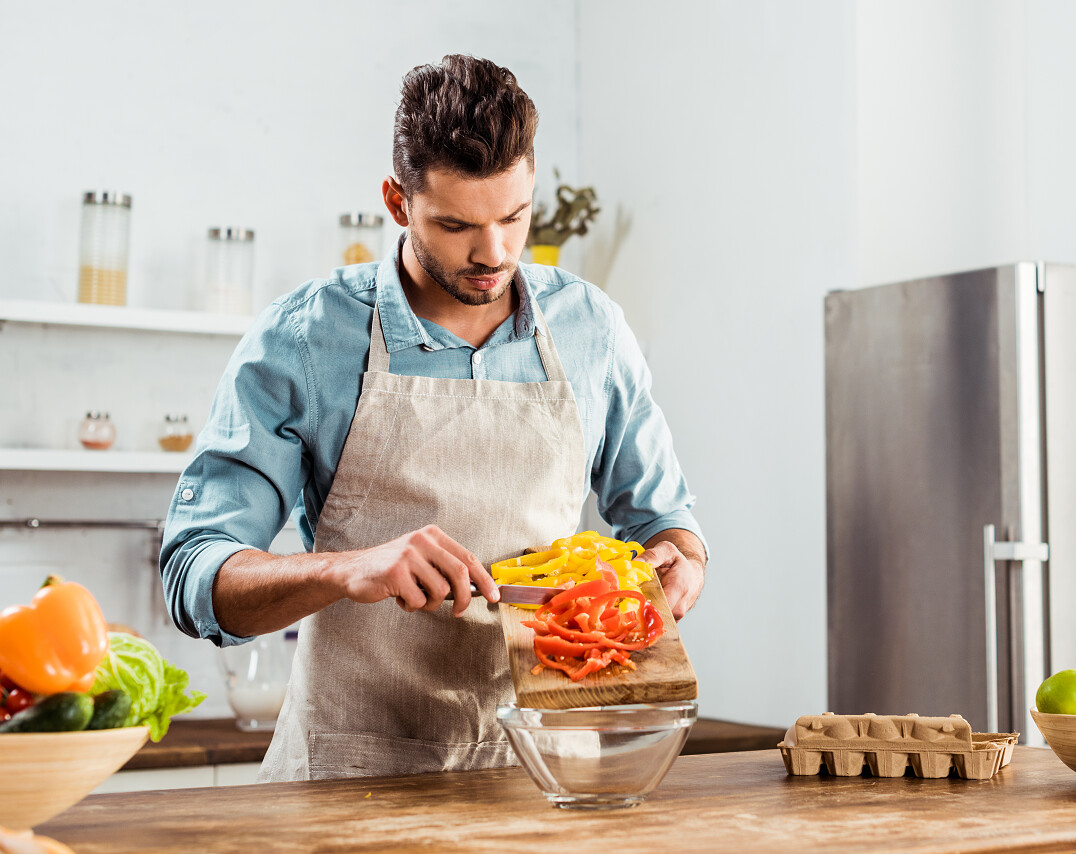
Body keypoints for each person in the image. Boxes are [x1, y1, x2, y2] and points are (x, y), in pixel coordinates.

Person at [159, 55, 707, 782]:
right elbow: (194, 574)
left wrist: (680, 560)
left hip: (543, 772)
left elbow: (664, 521)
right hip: (351, 775)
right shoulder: (304, 340)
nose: (494, 253)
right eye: (455, 225)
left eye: (514, 217)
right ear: (397, 201)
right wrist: (350, 568)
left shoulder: (591, 330)